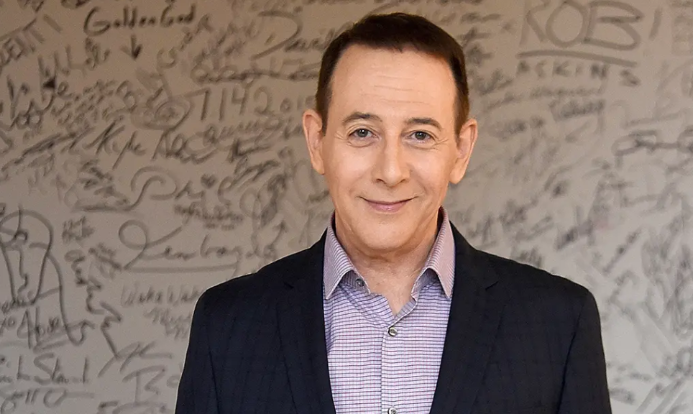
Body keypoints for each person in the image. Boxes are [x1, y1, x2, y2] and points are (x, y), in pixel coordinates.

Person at [175, 12, 612, 414]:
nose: (390, 171)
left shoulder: (559, 323)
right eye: (362, 132)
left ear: (461, 151)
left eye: (420, 135)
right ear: (316, 142)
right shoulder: (227, 325)